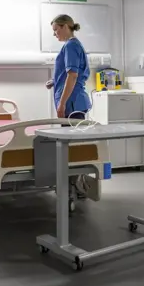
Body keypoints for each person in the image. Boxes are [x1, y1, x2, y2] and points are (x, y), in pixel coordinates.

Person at [46, 15, 91, 198]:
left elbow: (73, 76)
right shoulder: (72, 45)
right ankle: (73, 186)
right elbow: (69, 75)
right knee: (72, 145)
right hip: (74, 101)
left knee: (72, 147)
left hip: (72, 104)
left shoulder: (71, 45)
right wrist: (54, 82)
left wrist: (62, 103)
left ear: (65, 27)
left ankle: (74, 187)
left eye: (56, 30)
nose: (55, 34)